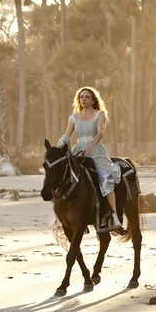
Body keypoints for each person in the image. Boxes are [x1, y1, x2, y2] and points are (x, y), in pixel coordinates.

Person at [57, 86, 123, 231]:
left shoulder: (99, 114)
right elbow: (67, 135)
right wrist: (60, 144)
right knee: (65, 179)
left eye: (87, 97)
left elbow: (100, 133)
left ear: (93, 100)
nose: (84, 99)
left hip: (96, 150)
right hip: (79, 151)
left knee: (105, 179)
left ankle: (115, 216)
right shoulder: (73, 118)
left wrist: (91, 146)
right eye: (81, 97)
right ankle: (69, 216)